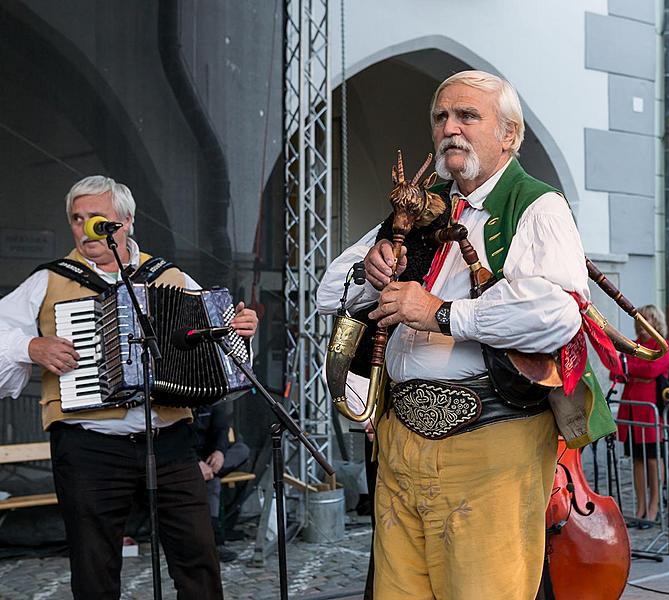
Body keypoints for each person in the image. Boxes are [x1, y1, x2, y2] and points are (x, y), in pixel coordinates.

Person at [317, 71, 612, 599]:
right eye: (441, 117)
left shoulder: (537, 205)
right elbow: (326, 293)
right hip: (400, 440)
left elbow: (557, 313)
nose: (450, 128)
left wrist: (442, 314)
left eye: (467, 116)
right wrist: (371, 270)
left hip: (491, 444)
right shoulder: (417, 208)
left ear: (509, 136)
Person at [0, 175, 258, 599]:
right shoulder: (48, 281)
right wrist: (30, 345)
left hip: (170, 441)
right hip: (89, 448)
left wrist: (240, 332)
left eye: (96, 219)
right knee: (95, 568)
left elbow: (221, 352)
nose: (85, 230)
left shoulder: (169, 277)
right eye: (76, 219)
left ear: (126, 222)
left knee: (198, 559)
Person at [615, 305, 669, 528]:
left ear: (656, 322)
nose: (642, 325)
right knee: (637, 460)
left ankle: (654, 507)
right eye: (640, 321)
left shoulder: (661, 346)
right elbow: (616, 370)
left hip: (649, 411)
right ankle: (640, 507)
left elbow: (651, 371)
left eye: (647, 320)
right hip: (631, 407)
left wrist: (630, 367)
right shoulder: (633, 345)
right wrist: (631, 367)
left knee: (652, 460)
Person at [192, 400, 250, 563]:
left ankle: (210, 473)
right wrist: (195, 462)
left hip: (211, 460)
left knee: (242, 450)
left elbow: (222, 429)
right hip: (187, 458)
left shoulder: (212, 401)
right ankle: (216, 542)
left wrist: (219, 452)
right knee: (213, 484)